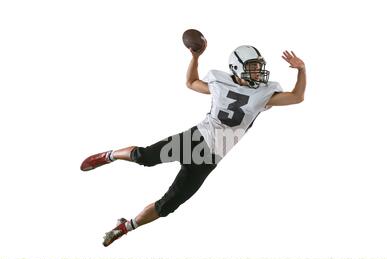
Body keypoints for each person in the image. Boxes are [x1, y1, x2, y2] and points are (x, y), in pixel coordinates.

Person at [80, 39, 306, 247]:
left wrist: (301, 70)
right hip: (195, 139)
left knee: (168, 205)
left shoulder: (265, 93)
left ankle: (124, 227)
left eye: (259, 66)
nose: (258, 71)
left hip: (210, 158)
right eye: (252, 66)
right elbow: (191, 82)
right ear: (236, 67)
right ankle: (108, 155)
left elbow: (297, 97)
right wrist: (195, 57)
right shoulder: (220, 81)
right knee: (144, 157)